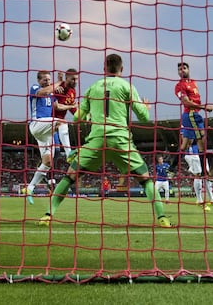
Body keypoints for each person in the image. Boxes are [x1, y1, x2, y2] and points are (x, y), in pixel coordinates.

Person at [38, 54, 173, 228]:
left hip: (97, 139)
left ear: (104, 68)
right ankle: (162, 218)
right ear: (121, 69)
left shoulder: (93, 88)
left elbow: (78, 118)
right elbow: (144, 117)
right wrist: (145, 107)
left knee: (69, 177)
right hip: (120, 139)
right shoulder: (127, 86)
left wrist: (82, 109)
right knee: (146, 180)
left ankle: (48, 214)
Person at [24, 71, 77, 204]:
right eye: (44, 80)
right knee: (62, 123)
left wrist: (72, 106)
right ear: (39, 80)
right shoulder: (35, 88)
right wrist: (58, 82)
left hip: (45, 132)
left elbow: (57, 106)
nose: (47, 82)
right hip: (37, 124)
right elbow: (43, 93)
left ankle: (29, 188)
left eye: (49, 80)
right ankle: (69, 153)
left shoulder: (52, 94)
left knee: (48, 162)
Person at [175, 62, 213, 177]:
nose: (182, 70)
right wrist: (204, 107)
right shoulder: (179, 86)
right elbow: (186, 102)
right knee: (200, 141)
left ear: (188, 69)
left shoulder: (193, 83)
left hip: (196, 114)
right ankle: (204, 172)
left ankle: (172, 166)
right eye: (179, 69)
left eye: (184, 68)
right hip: (190, 115)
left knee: (187, 145)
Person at [184, 142, 213, 211]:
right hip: (193, 155)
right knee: (198, 175)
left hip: (202, 155)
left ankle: (212, 199)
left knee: (206, 176)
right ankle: (199, 201)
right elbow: (185, 140)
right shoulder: (189, 132)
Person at [53, 68, 78, 159]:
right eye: (73, 79)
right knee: (54, 151)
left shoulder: (72, 92)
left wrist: (83, 116)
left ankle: (69, 155)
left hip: (58, 125)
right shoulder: (57, 88)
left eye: (77, 79)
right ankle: (69, 154)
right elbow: (56, 106)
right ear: (66, 78)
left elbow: (73, 108)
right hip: (49, 121)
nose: (75, 82)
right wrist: (56, 85)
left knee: (56, 152)